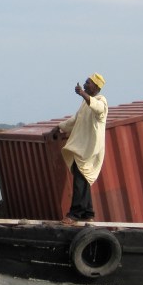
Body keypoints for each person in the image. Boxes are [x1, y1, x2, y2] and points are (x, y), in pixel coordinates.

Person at [51, 73, 108, 223]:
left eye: (88, 83)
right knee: (82, 178)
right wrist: (59, 127)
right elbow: (75, 120)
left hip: (90, 149)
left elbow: (98, 109)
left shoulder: (101, 101)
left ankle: (75, 214)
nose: (85, 85)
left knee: (80, 180)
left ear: (96, 86)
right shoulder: (85, 104)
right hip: (82, 148)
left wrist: (82, 94)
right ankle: (88, 213)